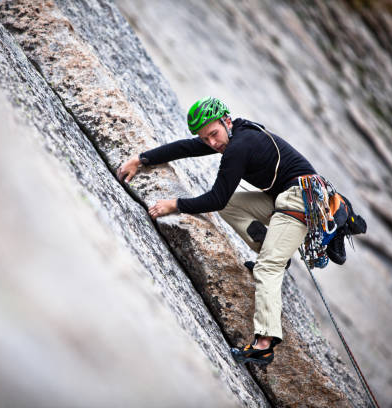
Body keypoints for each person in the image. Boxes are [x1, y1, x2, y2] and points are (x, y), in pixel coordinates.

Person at [116, 97, 316, 365]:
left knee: (268, 267)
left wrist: (174, 204)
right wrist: (141, 159)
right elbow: (187, 148)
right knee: (232, 206)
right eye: (205, 138)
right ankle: (268, 245)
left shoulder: (239, 146)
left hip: (303, 201)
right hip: (289, 196)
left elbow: (215, 198)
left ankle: (264, 345)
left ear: (227, 121)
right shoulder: (234, 134)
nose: (212, 143)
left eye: (213, 134)